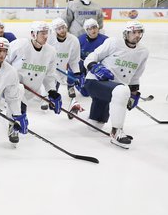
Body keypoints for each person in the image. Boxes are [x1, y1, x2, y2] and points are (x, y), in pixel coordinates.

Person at [80, 21, 148, 149]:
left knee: (94, 126)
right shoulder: (114, 42)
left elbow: (135, 76)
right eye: (134, 32)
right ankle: (117, 132)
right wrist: (95, 68)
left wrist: (133, 94)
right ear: (126, 33)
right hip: (96, 82)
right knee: (122, 90)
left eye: (140, 32)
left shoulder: (143, 51)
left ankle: (79, 111)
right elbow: (91, 58)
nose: (137, 35)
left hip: (113, 90)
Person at [7, 21, 62, 143]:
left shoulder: (51, 52)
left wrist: (52, 91)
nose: (45, 36)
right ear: (33, 34)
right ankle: (13, 126)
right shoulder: (18, 45)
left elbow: (49, 75)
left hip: (32, 89)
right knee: (19, 106)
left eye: (46, 33)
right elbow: (4, 64)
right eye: (42, 33)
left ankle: (15, 122)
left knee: (21, 105)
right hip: (13, 86)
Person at [48, 18, 81, 100]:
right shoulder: (49, 39)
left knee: (59, 81)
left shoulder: (73, 40)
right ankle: (45, 97)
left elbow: (74, 60)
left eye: (63, 27)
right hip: (50, 67)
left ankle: (70, 86)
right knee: (50, 83)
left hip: (62, 68)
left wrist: (76, 72)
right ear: (54, 30)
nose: (62, 30)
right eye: (59, 29)